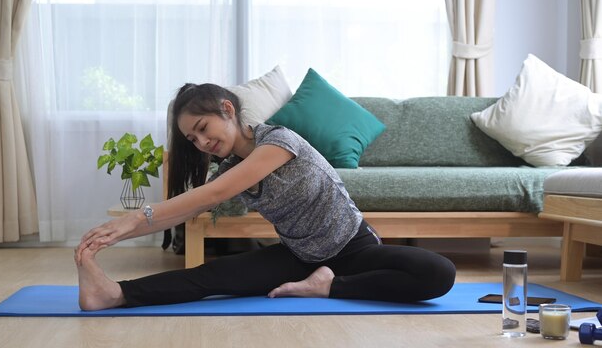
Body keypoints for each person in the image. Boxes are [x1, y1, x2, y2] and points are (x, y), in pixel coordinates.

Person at [74, 83, 456, 311]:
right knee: (210, 277)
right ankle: (114, 294)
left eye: (204, 128)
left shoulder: (280, 141)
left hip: (354, 249)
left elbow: (216, 192)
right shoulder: (227, 170)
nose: (203, 142)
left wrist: (133, 217)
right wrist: (121, 232)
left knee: (438, 273)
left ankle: (328, 286)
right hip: (299, 258)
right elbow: (189, 209)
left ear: (227, 109)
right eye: (193, 140)